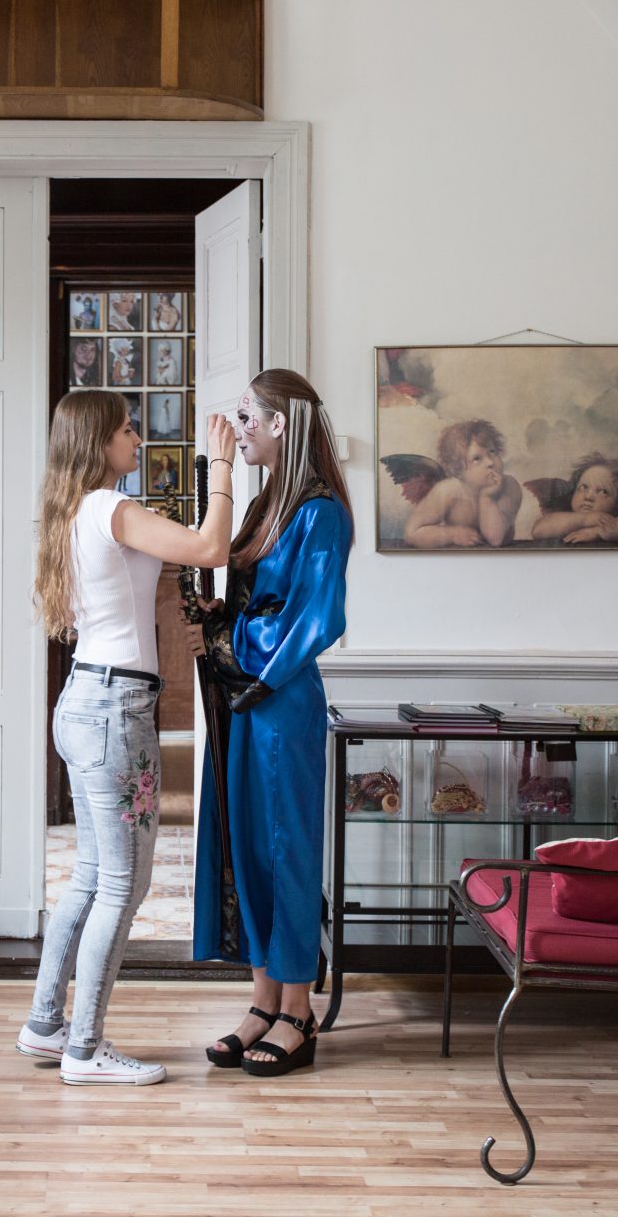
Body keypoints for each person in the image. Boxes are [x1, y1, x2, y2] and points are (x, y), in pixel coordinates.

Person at [21, 390, 237, 1086]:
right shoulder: (112, 508)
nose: (137, 439)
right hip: (115, 710)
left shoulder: (74, 510)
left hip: (87, 700)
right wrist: (222, 466)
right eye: (126, 429)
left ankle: (46, 1024)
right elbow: (211, 546)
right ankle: (85, 1050)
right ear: (99, 442)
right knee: (123, 883)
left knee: (92, 876)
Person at [187, 368, 351, 1076]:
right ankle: (262, 1002)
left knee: (287, 849)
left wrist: (231, 640)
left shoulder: (321, 513)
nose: (239, 428)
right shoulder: (263, 506)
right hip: (241, 698)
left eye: (248, 416)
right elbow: (251, 601)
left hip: (279, 701)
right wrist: (218, 615)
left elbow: (314, 620)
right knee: (247, 844)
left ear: (282, 424)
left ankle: (298, 1011)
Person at [403, 418, 522, 548]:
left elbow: (496, 540)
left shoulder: (509, 486)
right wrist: (452, 535)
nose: (490, 462)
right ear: (458, 470)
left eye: (492, 452)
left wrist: (487, 497)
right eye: (477, 459)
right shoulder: (447, 491)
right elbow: (411, 533)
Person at [529, 452, 618, 544]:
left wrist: (598, 532)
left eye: (603, 491)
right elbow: (538, 530)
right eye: (583, 487)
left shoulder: (617, 520)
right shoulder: (563, 518)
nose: (588, 496)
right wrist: (585, 519)